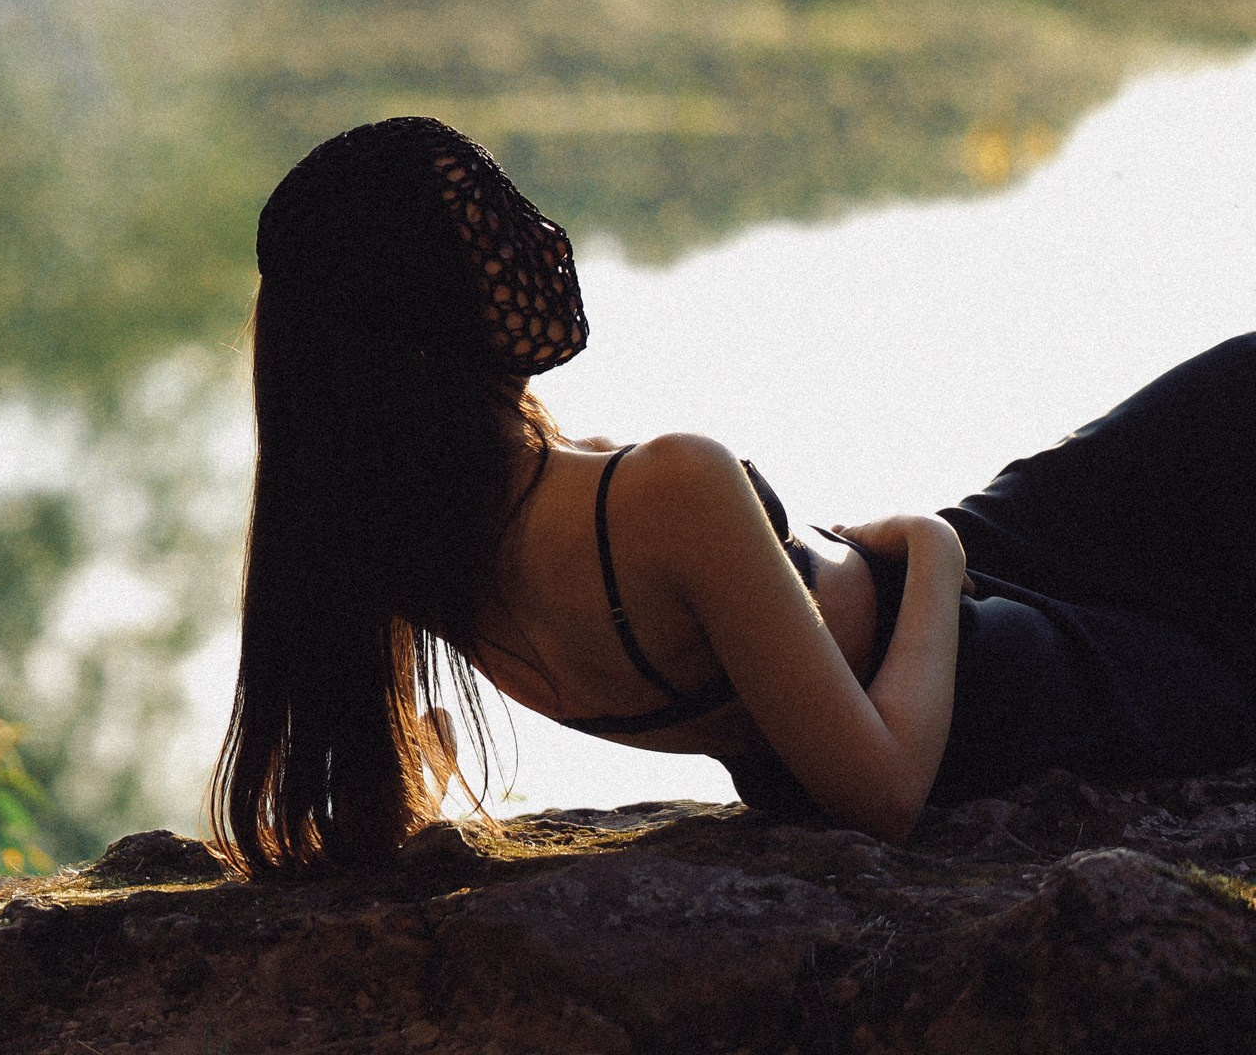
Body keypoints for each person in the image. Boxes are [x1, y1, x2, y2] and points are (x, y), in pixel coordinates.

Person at [209, 116, 1256, 874]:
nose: (512, 247)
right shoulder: (668, 490)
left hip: (965, 588)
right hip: (995, 670)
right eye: (474, 233)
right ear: (429, 308)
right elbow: (885, 795)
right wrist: (933, 553)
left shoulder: (401, 550)